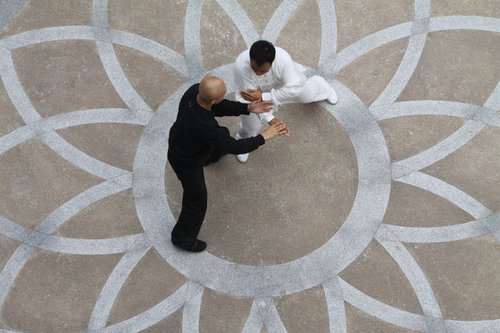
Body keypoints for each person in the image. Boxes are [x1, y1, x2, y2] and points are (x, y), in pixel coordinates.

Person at [167, 76, 288, 252]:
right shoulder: (206, 127)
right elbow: (236, 147)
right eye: (222, 95)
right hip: (186, 161)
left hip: (182, 139)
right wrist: (265, 136)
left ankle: (210, 157)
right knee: (197, 200)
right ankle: (182, 238)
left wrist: (247, 108)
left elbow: (218, 106)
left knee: (218, 138)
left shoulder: (194, 92)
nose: (224, 98)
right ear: (214, 99)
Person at [234, 40, 338, 163]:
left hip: (280, 84)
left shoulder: (283, 58)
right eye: (254, 69)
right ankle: (242, 140)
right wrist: (270, 119)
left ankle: (321, 85)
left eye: (262, 71)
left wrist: (264, 96)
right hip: (253, 94)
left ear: (272, 63)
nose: (258, 73)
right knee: (251, 125)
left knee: (306, 95)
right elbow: (249, 98)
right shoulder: (241, 66)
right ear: (251, 59)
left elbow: (294, 89)